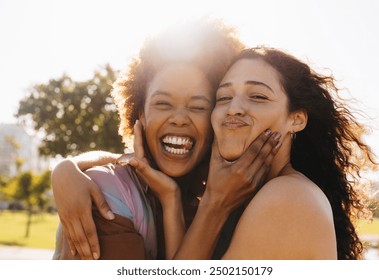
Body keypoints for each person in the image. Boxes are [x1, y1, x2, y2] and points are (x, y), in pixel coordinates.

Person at [52, 19, 280, 260]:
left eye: (198, 106)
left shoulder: (220, 197)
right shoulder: (106, 193)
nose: (179, 119)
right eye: (163, 103)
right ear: (140, 113)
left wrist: (174, 201)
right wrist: (66, 168)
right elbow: (121, 163)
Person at [151, 47, 379, 259]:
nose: (233, 108)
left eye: (257, 96)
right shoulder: (249, 196)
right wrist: (171, 200)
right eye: (223, 97)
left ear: (296, 119)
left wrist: (213, 202)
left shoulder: (287, 196)